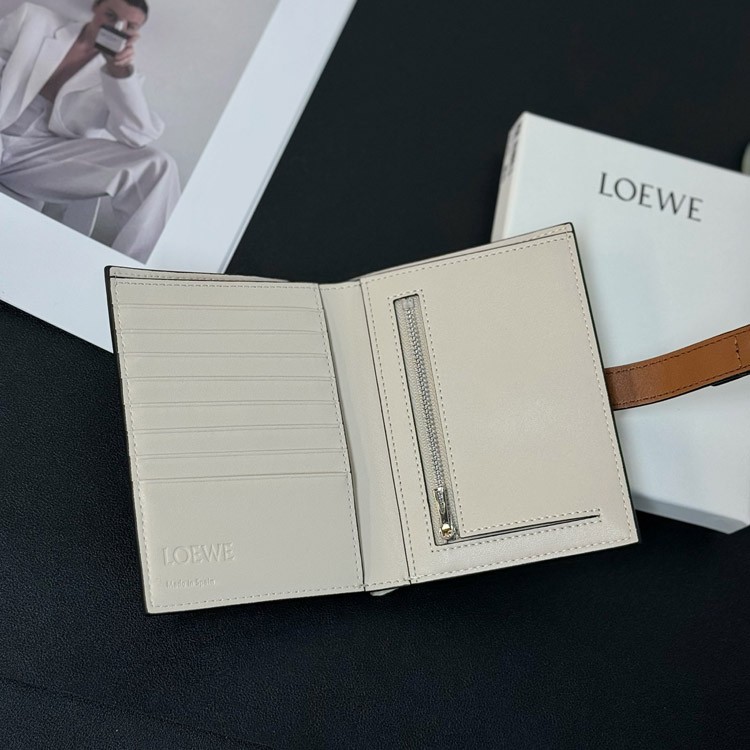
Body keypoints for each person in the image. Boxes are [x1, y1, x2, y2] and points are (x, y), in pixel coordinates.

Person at [0, 1, 181, 261]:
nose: (116, 26)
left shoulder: (121, 76)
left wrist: (118, 73)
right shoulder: (34, 19)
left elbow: (139, 136)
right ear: (95, 9)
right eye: (111, 15)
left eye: (129, 26)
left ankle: (131, 276)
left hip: (41, 158)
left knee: (159, 166)